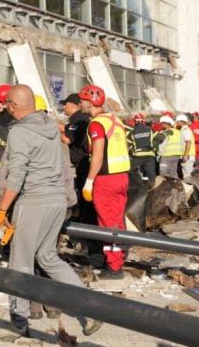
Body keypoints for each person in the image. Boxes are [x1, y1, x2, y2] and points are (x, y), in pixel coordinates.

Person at [0, 85, 101, 337]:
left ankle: (18, 323)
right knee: (48, 257)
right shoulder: (51, 125)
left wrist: (1, 209)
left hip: (33, 202)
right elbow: (62, 164)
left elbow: (15, 176)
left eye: (6, 104)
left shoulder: (19, 133)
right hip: (57, 202)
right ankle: (91, 310)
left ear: (13, 106)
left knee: (20, 264)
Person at [79, 85, 130, 279]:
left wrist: (89, 181)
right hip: (122, 177)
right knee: (117, 220)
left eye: (82, 100)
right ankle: (120, 254)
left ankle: (115, 267)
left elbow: (98, 155)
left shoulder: (96, 124)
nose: (80, 103)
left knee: (107, 223)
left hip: (106, 180)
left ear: (88, 102)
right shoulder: (114, 120)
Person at [128, 113, 157, 182]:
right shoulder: (150, 130)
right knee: (152, 175)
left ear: (135, 122)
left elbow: (128, 145)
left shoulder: (132, 132)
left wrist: (131, 152)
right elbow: (155, 141)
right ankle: (153, 189)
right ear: (143, 121)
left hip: (137, 156)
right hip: (149, 155)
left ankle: (137, 189)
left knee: (133, 175)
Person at [176, 114, 196, 179]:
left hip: (188, 156)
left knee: (187, 176)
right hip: (186, 156)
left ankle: (190, 189)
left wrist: (185, 155)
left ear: (182, 121)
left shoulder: (186, 130)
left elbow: (188, 143)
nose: (176, 123)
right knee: (185, 176)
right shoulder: (183, 130)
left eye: (177, 121)